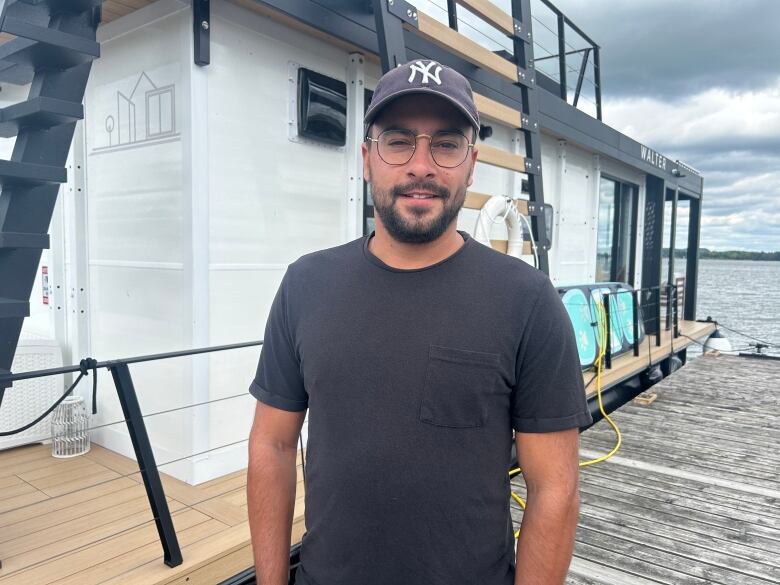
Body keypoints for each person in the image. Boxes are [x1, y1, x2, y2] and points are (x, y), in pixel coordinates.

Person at [247, 59, 592, 585]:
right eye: (398, 141)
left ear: (471, 164)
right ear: (367, 158)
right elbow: (271, 446)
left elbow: (555, 489)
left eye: (446, 144)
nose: (421, 166)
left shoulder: (527, 300)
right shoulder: (305, 285)